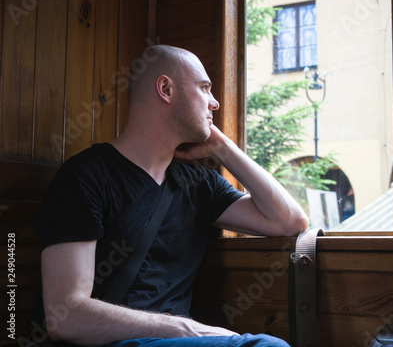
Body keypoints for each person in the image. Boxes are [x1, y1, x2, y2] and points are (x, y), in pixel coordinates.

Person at [32, 45, 309, 347]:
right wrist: (187, 330)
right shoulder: (85, 177)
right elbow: (66, 316)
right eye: (205, 88)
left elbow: (289, 221)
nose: (215, 103)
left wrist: (222, 148)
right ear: (165, 89)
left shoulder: (199, 185)